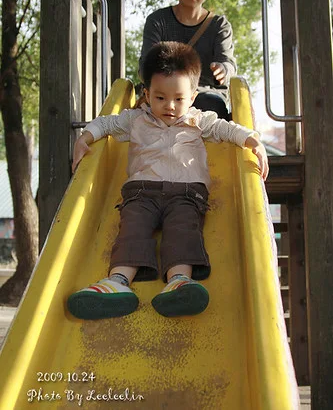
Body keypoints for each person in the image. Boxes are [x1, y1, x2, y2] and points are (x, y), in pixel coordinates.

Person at [67, 42, 268, 321]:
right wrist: (84, 139)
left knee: (183, 230)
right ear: (147, 94)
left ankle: (179, 282)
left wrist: (253, 141)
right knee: (132, 229)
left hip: (187, 194)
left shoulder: (199, 120)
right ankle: (117, 282)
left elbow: (226, 129)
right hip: (141, 192)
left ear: (193, 96)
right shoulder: (136, 119)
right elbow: (105, 124)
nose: (170, 106)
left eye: (178, 99)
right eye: (160, 98)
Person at [139, 0, 237, 120]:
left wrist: (223, 69)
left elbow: (228, 63)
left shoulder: (219, 25)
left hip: (203, 94)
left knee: (212, 106)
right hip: (163, 93)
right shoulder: (157, 20)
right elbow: (145, 66)